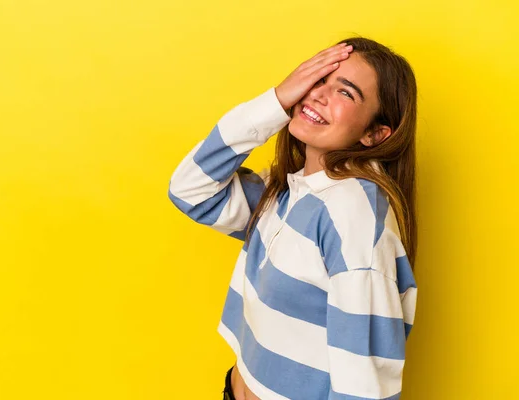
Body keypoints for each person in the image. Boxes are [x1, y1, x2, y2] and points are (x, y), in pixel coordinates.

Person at [167, 36, 418, 400]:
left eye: (345, 93)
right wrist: (277, 100)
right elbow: (190, 189)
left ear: (374, 134)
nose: (317, 94)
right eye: (318, 78)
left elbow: (363, 389)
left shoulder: (353, 218)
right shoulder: (289, 191)